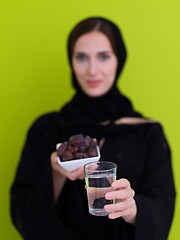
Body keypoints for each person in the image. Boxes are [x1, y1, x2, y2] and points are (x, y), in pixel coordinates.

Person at [10, 17, 176, 240]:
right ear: (71, 61)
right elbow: (22, 214)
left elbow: (163, 207)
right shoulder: (46, 129)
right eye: (81, 58)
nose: (92, 70)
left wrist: (134, 209)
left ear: (119, 60)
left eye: (104, 57)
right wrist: (56, 174)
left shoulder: (147, 133)